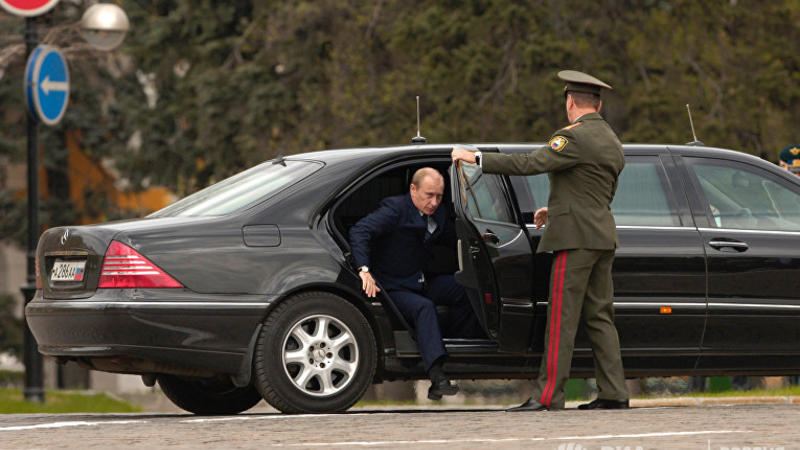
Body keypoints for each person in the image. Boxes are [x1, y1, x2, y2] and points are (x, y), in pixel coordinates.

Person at [451, 70, 629, 411]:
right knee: (601, 318)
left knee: (562, 319)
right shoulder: (611, 139)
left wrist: (476, 158)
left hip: (573, 239)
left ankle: (549, 396)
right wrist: (558, 206)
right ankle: (614, 392)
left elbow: (531, 163)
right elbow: (600, 190)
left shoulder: (572, 138)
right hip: (602, 236)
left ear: (571, 101)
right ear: (599, 104)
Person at [349, 167, 481, 400]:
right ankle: (438, 377)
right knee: (424, 308)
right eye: (428, 195)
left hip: (421, 280)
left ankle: (456, 349)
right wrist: (364, 270)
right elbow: (360, 231)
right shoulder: (395, 209)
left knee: (465, 287)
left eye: (439, 196)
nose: (434, 202)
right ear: (413, 189)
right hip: (393, 287)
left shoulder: (439, 215)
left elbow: (456, 238)